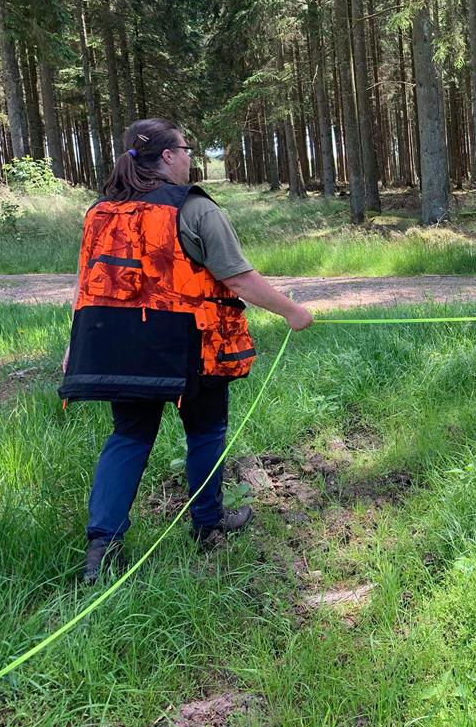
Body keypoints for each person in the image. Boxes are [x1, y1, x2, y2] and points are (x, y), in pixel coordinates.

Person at [59, 118, 313, 583]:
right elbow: (238, 278)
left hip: (120, 346)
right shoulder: (194, 209)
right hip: (191, 345)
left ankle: (103, 546)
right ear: (169, 156)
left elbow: (88, 285)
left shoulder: (100, 212)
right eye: (185, 148)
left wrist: (75, 346)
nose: (190, 156)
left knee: (129, 436)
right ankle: (207, 526)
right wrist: (293, 312)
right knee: (206, 431)